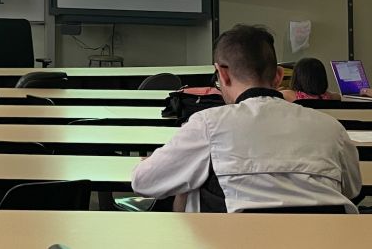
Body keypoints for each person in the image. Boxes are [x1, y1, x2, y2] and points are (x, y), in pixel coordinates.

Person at [131, 25, 361, 213]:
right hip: (322, 243)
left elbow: (144, 183)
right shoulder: (331, 127)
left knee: (188, 186)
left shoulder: (208, 124)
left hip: (233, 242)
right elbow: (352, 190)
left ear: (222, 74)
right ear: (279, 76)